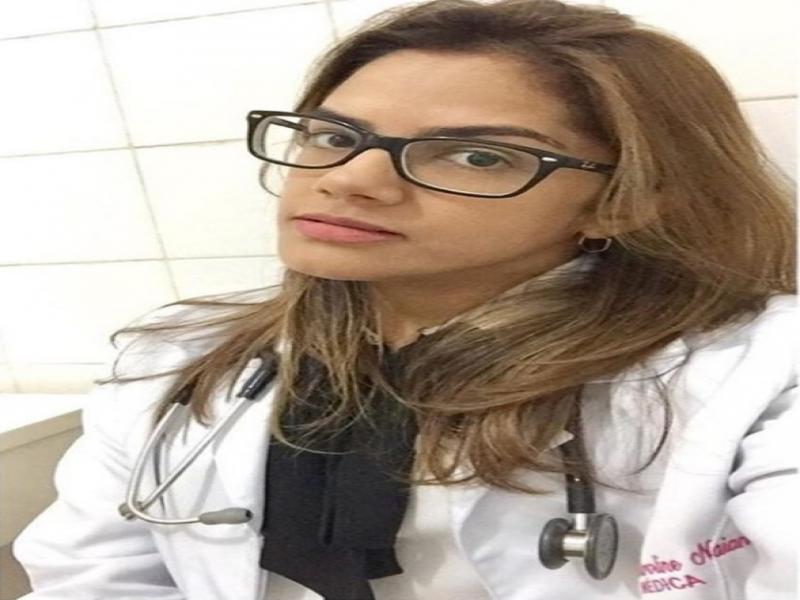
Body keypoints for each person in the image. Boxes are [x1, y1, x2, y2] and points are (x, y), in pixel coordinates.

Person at [13, 0, 797, 598]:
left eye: (476, 155)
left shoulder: (761, 380)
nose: (351, 179)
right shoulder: (180, 362)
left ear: (624, 202)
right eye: (333, 136)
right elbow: (95, 581)